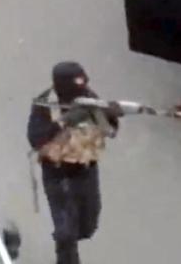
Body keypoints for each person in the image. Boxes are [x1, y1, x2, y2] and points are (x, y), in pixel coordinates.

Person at [27, 62, 121, 264]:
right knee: (66, 234)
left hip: (85, 170)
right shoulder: (45, 105)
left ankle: (69, 234)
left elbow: (111, 131)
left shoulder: (89, 99)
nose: (84, 89)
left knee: (87, 227)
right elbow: (35, 138)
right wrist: (63, 121)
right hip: (57, 174)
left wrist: (111, 115)